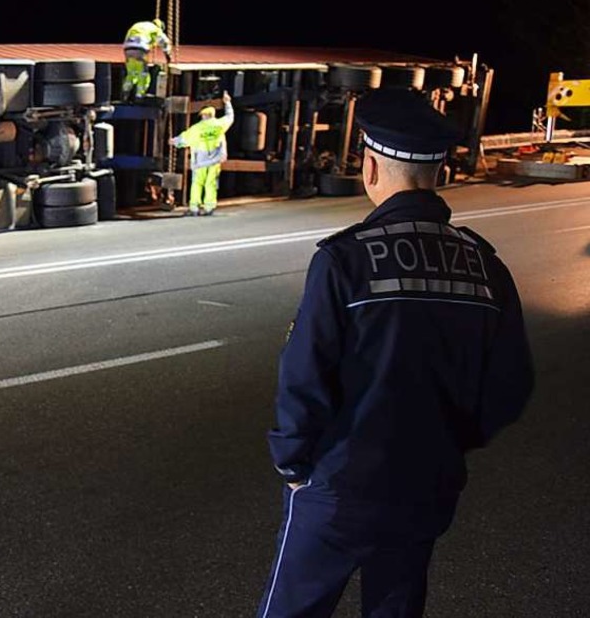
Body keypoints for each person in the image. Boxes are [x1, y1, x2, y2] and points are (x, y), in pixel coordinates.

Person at [255, 88, 534, 618]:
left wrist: (293, 463)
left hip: (340, 484)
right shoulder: (485, 266)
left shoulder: (346, 259)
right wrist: (451, 442)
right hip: (426, 485)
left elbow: (304, 375)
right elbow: (511, 383)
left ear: (371, 167)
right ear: (439, 174)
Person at [169, 91, 234, 215]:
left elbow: (184, 139)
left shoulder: (197, 128)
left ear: (203, 115)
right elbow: (230, 117)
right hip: (215, 160)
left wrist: (174, 141)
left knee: (197, 184)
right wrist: (228, 102)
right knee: (211, 183)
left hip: (200, 161)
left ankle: (194, 207)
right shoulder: (220, 125)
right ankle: (209, 207)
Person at [121, 18, 173, 101]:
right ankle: (139, 96)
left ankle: (125, 94)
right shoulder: (156, 29)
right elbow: (164, 41)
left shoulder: (139, 25)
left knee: (131, 73)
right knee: (143, 74)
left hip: (128, 49)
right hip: (140, 49)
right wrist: (168, 55)